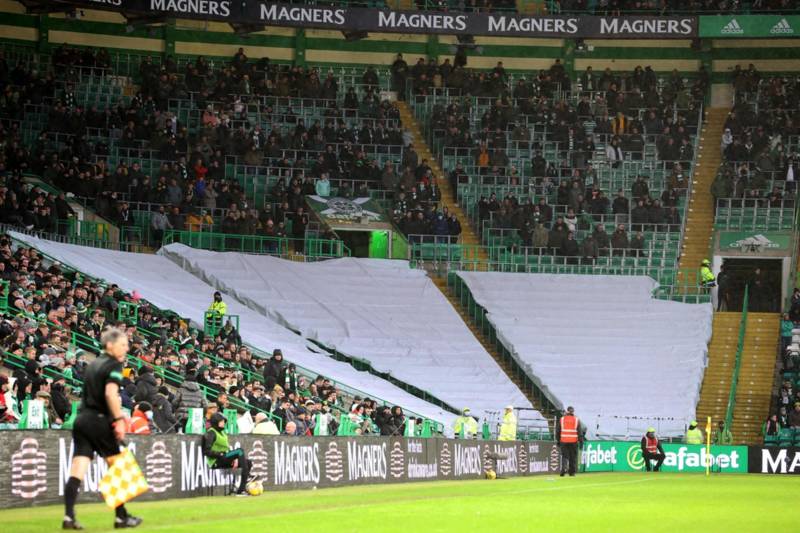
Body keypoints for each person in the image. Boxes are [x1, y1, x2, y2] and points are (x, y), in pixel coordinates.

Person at [62, 327, 143, 529]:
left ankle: (69, 516)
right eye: (122, 344)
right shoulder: (113, 364)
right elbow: (110, 394)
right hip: (99, 420)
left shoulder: (93, 364)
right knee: (118, 468)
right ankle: (120, 517)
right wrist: (119, 419)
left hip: (81, 420)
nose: (126, 348)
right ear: (109, 345)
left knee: (77, 469)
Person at [202, 412, 252, 496]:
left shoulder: (223, 433)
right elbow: (206, 451)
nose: (223, 423)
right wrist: (220, 454)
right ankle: (244, 482)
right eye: (221, 421)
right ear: (216, 422)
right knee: (239, 451)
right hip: (216, 460)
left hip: (225, 457)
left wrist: (235, 458)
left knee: (248, 462)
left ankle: (242, 486)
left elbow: (227, 449)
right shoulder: (211, 433)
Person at [556, 406, 582, 477]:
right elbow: (579, 432)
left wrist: (558, 440)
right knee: (572, 457)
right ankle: (572, 472)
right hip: (573, 441)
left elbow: (558, 431)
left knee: (564, 456)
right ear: (573, 412)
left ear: (567, 411)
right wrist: (581, 441)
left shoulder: (562, 419)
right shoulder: (576, 420)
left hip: (564, 440)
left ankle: (563, 469)